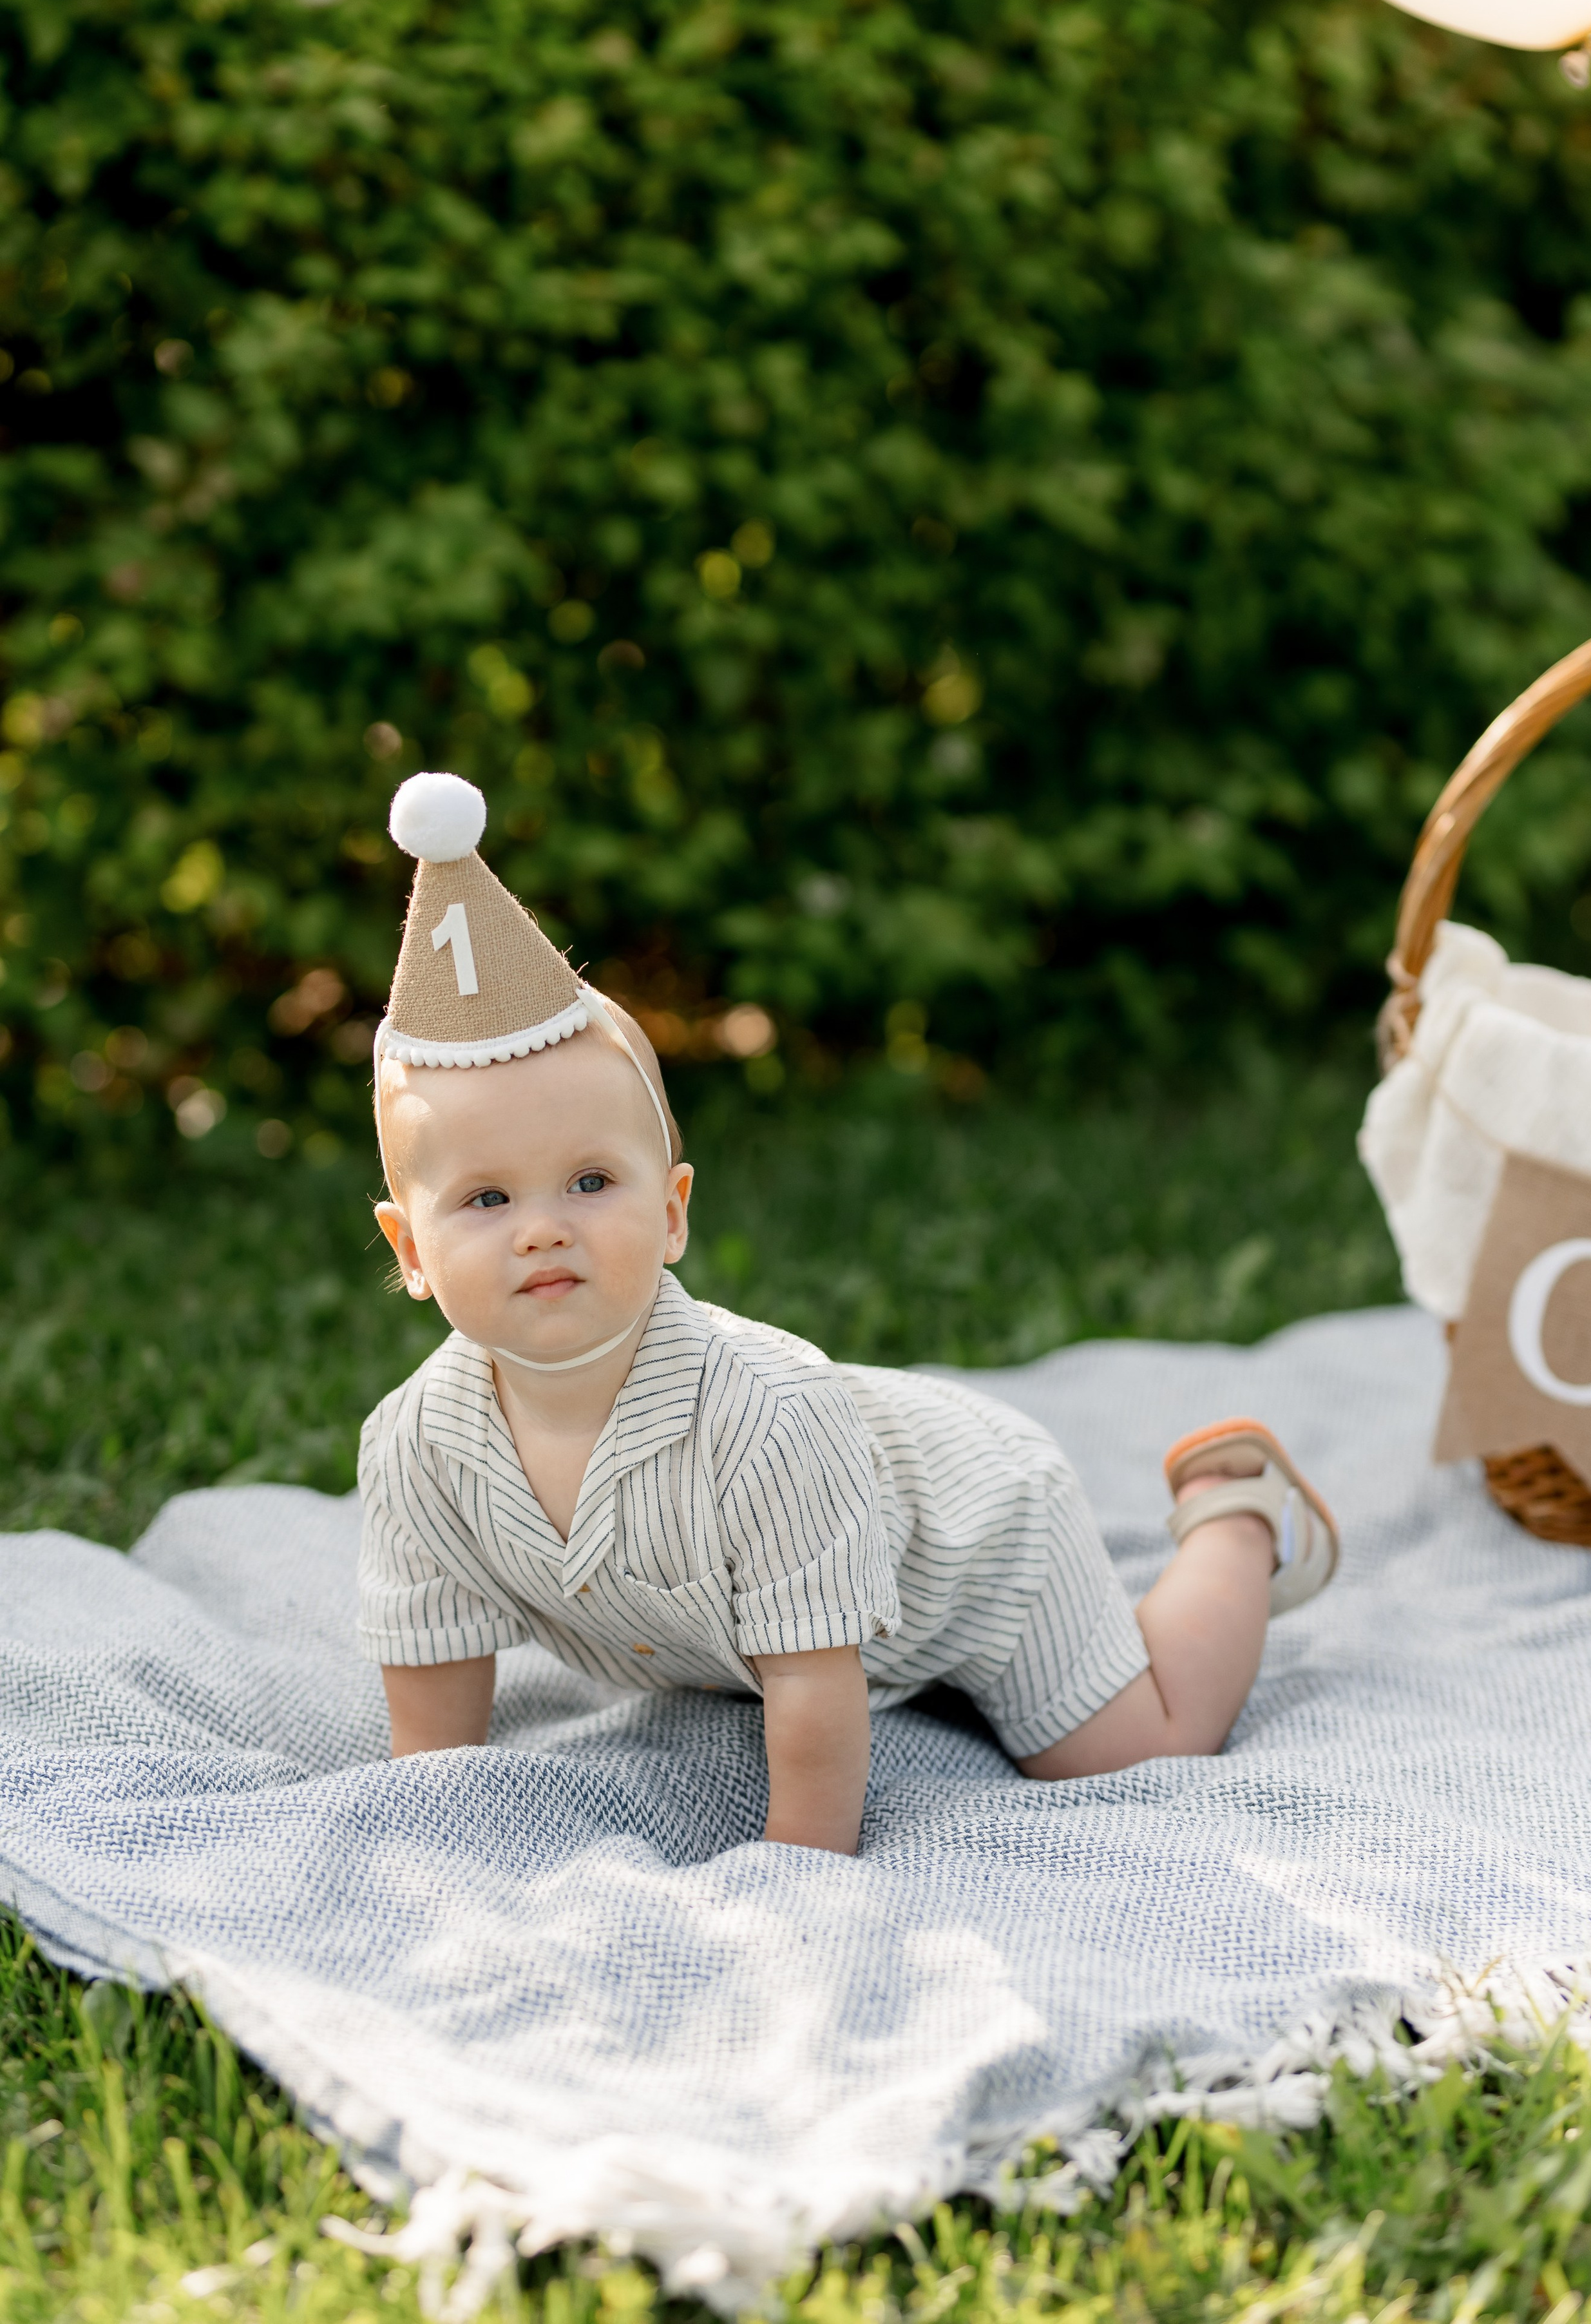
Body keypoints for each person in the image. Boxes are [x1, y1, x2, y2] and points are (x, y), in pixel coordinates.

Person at [359, 771, 1340, 1856]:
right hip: (737, 1637)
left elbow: (816, 1684)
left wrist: (800, 1868)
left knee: (1127, 1746)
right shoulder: (417, 1446)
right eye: (488, 1200)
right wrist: (437, 1833)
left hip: (975, 1542)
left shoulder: (765, 1420)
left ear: (675, 1213)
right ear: (410, 1249)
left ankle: (1233, 1516)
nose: (543, 1229)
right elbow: (436, 1679)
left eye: (592, 1182)